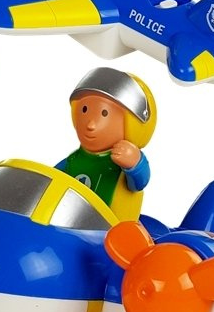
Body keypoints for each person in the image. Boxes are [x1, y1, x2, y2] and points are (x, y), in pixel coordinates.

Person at [56, 67, 156, 221]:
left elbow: (139, 183)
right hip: (71, 224)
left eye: (104, 113)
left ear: (131, 124)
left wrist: (135, 164)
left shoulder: (124, 164)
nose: (90, 124)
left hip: (114, 230)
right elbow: (52, 180)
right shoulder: (74, 160)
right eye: (84, 109)